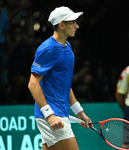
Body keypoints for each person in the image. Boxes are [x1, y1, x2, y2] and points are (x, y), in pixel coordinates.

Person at [28, 6, 91, 150]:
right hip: (53, 114)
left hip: (60, 113)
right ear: (61, 25)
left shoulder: (67, 47)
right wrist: (49, 115)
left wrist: (79, 112)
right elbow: (32, 84)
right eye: (73, 22)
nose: (77, 26)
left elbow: (64, 84)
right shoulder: (48, 49)